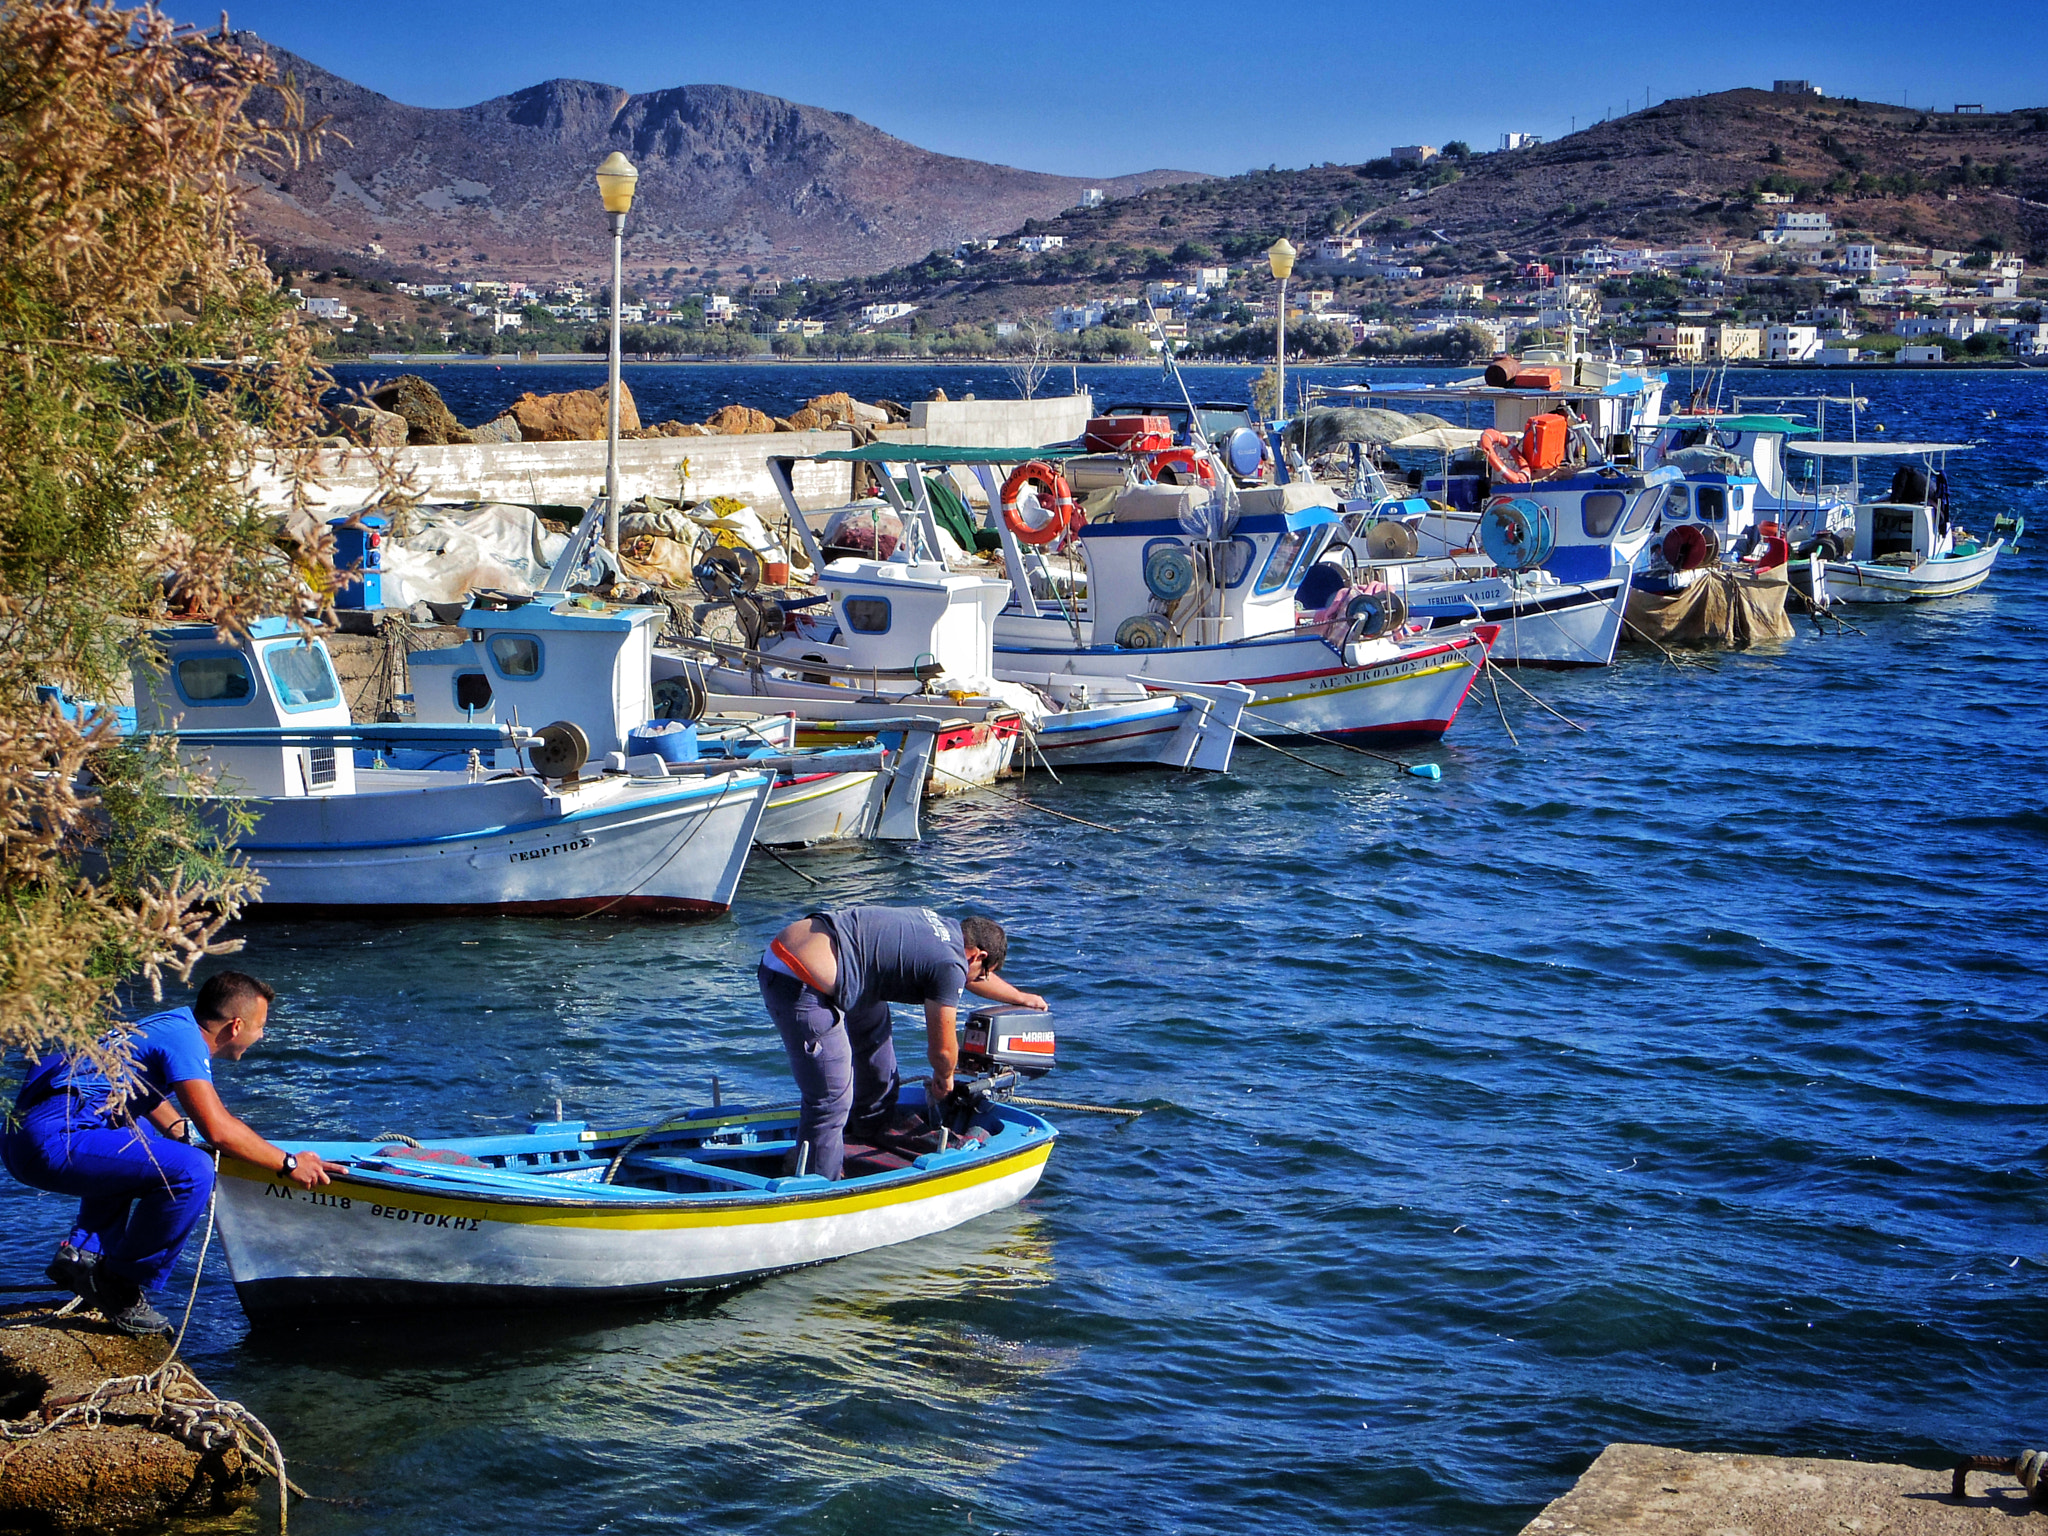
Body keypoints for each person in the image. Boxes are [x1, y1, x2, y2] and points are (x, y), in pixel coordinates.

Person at [2, 972, 337, 1335]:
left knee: (144, 1134)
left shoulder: (168, 1024)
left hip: (25, 1135)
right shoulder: (186, 1041)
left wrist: (185, 1135)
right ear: (236, 1026)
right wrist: (288, 1164)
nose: (262, 1036)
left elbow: (151, 1103)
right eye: (260, 1027)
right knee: (193, 1170)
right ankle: (119, 1283)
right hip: (50, 1141)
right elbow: (219, 1130)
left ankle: (83, 1257)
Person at [759, 907, 1046, 1181]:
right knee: (831, 1097)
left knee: (876, 1034)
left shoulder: (943, 932)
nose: (980, 980)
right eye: (985, 972)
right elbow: (943, 1050)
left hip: (820, 952)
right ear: (977, 955)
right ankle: (817, 1180)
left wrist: (1020, 997)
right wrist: (944, 1078)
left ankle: (869, 1126)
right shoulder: (951, 964)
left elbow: (966, 976)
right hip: (795, 975)